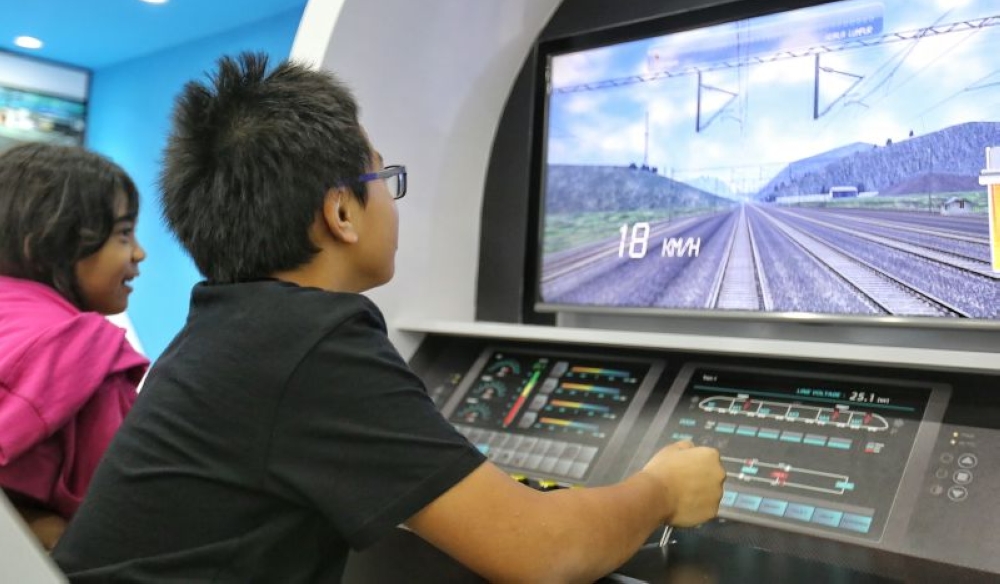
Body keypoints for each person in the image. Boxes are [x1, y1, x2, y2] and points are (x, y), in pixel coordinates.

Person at [53, 52, 725, 583]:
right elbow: (541, 550)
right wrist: (660, 489)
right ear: (341, 213)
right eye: (384, 179)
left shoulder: (230, 327)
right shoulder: (312, 340)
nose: (393, 203)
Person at [0, 142, 149, 550]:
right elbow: (119, 510)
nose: (139, 253)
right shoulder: (81, 351)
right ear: (42, 240)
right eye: (123, 234)